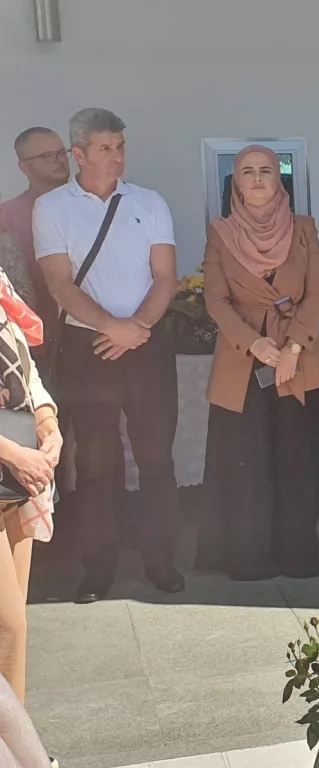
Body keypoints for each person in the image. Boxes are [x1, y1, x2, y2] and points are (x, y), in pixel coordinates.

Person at [33, 108, 182, 603]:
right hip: (87, 346)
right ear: (78, 154)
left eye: (120, 146)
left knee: (156, 457)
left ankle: (162, 561)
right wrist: (111, 327)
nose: (116, 156)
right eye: (104, 148)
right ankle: (98, 569)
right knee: (96, 463)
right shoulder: (52, 207)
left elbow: (165, 276)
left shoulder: (149, 202)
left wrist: (136, 329)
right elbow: (59, 283)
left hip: (146, 342)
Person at [196, 145, 319, 580]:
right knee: (247, 459)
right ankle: (248, 558)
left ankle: (305, 554)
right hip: (243, 359)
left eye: (266, 170)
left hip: (300, 357)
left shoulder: (304, 228)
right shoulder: (220, 232)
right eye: (248, 171)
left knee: (299, 455)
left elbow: (316, 293)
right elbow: (216, 299)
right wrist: (256, 345)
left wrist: (293, 348)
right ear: (237, 182)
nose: (258, 178)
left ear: (279, 179)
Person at [0, 266, 61, 706]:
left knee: (13, 622)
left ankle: (13, 734)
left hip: (15, 483)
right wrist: (16, 454)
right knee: (8, 626)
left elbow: (25, 365)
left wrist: (47, 422)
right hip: (12, 463)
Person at [0, 128, 69, 337]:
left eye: (62, 152)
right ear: (25, 167)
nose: (59, 160)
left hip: (99, 334)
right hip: (37, 338)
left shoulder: (94, 205)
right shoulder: (6, 216)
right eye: (47, 156)